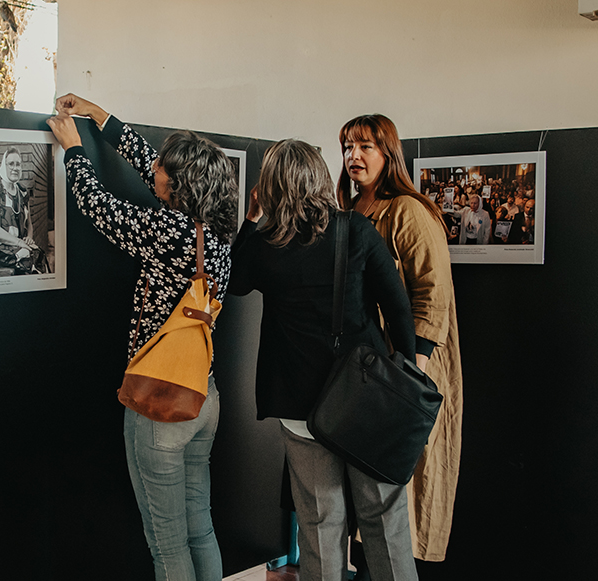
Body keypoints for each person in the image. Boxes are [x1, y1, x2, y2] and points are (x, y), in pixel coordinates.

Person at [47, 93, 237, 581]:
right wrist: (99, 116)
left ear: (180, 186)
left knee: (167, 547)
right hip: (204, 395)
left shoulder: (167, 231)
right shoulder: (209, 233)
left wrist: (73, 148)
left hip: (161, 406)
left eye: (163, 168)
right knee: (201, 532)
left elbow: (98, 207)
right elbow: (145, 160)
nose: (153, 168)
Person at [229, 140, 418, 581]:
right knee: (384, 522)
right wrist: (404, 376)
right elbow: (398, 308)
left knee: (319, 524)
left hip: (301, 409)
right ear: (318, 177)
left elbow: (233, 281)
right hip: (365, 402)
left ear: (271, 186)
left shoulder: (264, 245)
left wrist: (252, 218)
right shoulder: (356, 230)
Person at [337, 114, 463, 570]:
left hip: (403, 371)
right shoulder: (347, 211)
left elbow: (434, 293)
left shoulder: (409, 211)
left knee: (395, 501)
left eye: (365, 147)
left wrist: (412, 371)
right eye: (348, 146)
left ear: (388, 153)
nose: (353, 156)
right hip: (359, 371)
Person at [0, 146, 47, 275]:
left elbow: (29, 223)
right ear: (4, 166)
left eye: (18, 164)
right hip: (2, 248)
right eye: (11, 164)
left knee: (39, 254)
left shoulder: (22, 192)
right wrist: (20, 243)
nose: (15, 168)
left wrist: (29, 237)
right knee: (27, 256)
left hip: (21, 244)